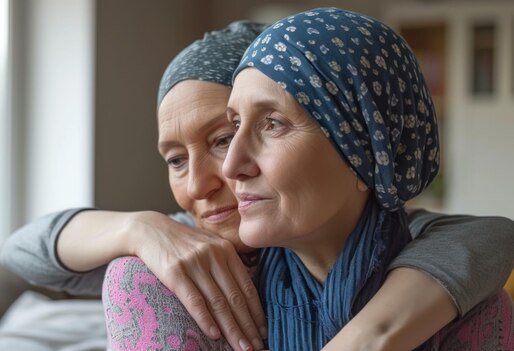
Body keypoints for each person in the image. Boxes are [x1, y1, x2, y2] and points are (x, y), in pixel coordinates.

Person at [1, 20, 514, 351]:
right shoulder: (177, 256)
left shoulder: (435, 265)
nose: (213, 177)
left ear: (355, 137)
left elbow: (487, 238)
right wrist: (141, 229)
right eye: (176, 160)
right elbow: (22, 253)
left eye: (224, 137)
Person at [217, 8, 514, 350]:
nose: (231, 165)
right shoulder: (209, 292)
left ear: (368, 155)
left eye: (273, 123)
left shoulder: (473, 314)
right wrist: (141, 229)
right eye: (235, 125)